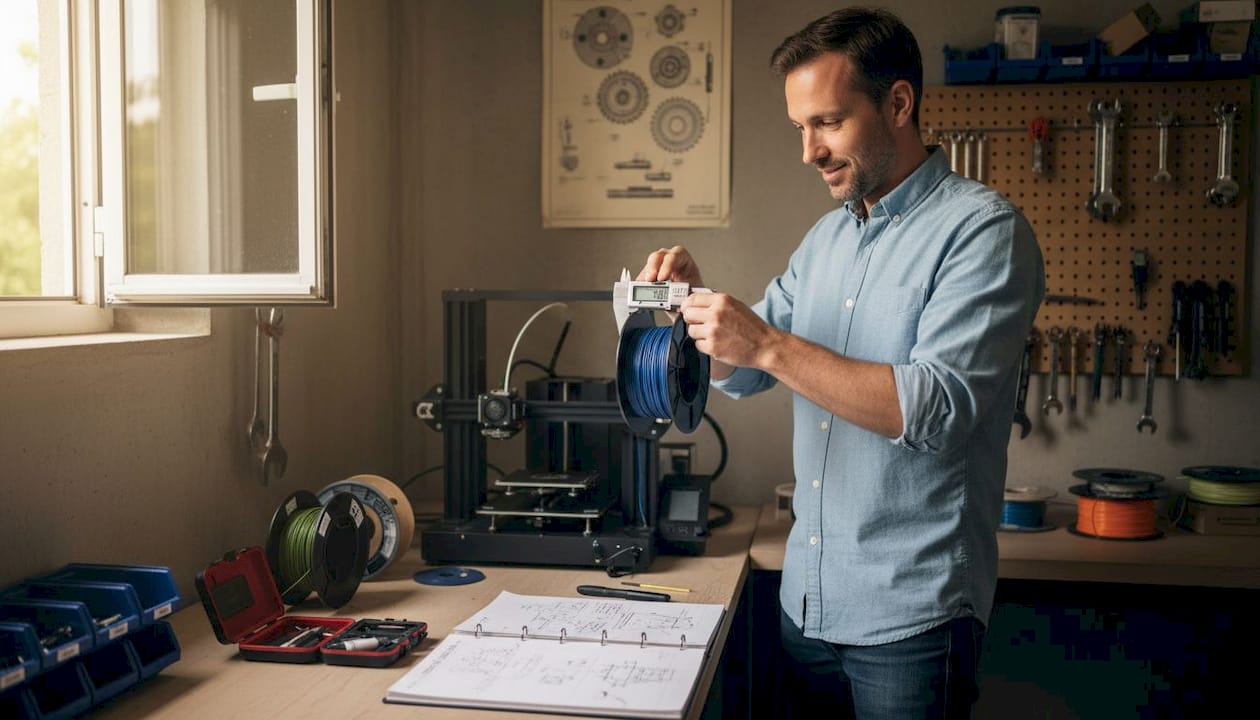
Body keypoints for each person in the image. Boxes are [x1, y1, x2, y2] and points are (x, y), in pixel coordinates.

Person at [637, 6, 1044, 719]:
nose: (809, 152)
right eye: (800, 128)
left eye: (827, 122)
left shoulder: (983, 233)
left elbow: (936, 408)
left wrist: (765, 342)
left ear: (897, 103)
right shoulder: (826, 240)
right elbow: (750, 373)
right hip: (806, 606)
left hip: (910, 622)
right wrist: (696, 308)